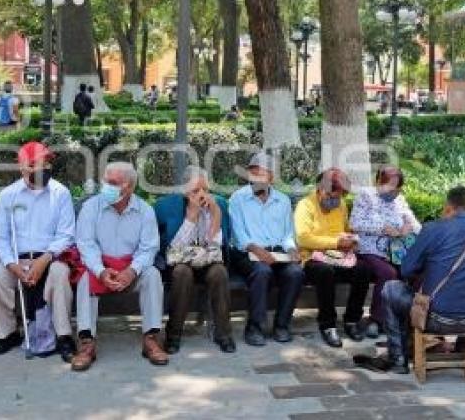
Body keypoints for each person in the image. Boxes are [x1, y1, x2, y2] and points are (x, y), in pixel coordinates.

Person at [355, 187, 465, 375]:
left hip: (435, 319)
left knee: (391, 289)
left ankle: (397, 358)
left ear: (448, 208)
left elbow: (406, 269)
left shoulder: (433, 229)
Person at [0, 142, 77, 361]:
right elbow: (1, 237)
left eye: (45, 162)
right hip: (18, 259)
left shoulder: (60, 193)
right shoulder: (8, 196)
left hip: (50, 257)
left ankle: (63, 336)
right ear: (22, 168)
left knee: (60, 274)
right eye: (34, 164)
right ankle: (6, 334)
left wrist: (45, 259)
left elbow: (66, 235)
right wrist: (12, 265)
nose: (41, 168)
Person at [71, 162, 168, 371]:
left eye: (113, 183)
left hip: (132, 268)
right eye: (106, 180)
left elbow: (149, 248)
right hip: (101, 267)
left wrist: (132, 271)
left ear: (130, 187)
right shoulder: (91, 207)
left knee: (152, 275)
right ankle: (87, 342)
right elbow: (86, 244)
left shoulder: (145, 211)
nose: (107, 186)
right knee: (85, 279)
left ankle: (151, 338)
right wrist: (101, 270)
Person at [155, 166, 234, 354]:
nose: (202, 195)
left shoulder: (219, 205)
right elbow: (173, 248)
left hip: (208, 260)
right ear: (184, 190)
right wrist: (191, 216)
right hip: (180, 262)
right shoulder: (166, 206)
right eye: (195, 190)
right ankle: (173, 334)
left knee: (219, 272)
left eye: (205, 190)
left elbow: (215, 244)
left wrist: (214, 214)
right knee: (182, 272)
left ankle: (223, 334)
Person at [228, 152, 304, 347]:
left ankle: (282, 325)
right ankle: (254, 326)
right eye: (252, 174)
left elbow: (287, 234)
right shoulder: (238, 198)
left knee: (295, 272)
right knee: (262, 271)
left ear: (271, 177)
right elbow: (237, 235)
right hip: (247, 252)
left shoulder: (283, 200)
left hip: (276, 252)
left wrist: (291, 250)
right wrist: (256, 249)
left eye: (260, 175)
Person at [296, 168, 372, 348]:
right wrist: (336, 243)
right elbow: (303, 238)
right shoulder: (305, 206)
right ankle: (328, 324)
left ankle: (352, 320)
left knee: (364, 269)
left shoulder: (341, 205)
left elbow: (346, 229)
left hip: (340, 256)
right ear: (320, 189)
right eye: (332, 195)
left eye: (339, 196)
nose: (335, 200)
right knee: (325, 272)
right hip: (313, 258)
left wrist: (351, 238)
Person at [349, 166, 421, 338]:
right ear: (378, 183)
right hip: (371, 248)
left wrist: (408, 227)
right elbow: (354, 223)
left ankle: (405, 318)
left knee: (415, 270)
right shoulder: (366, 195)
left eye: (397, 188)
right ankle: (377, 319)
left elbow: (416, 224)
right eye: (390, 187)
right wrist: (383, 229)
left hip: (397, 251)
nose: (393, 192)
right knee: (388, 273)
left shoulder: (399, 200)